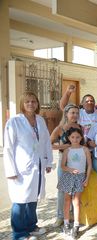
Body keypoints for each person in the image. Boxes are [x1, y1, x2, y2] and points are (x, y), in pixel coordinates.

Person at [3, 91, 53, 240]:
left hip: (37, 166)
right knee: (20, 201)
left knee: (33, 198)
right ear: (22, 104)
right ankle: (19, 233)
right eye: (27, 102)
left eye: (33, 101)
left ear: (37, 103)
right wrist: (11, 170)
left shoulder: (40, 120)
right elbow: (8, 148)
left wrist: (48, 161)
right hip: (20, 168)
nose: (31, 104)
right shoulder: (14, 122)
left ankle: (32, 226)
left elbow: (46, 143)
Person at [50, 104, 82, 227]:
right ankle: (60, 216)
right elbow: (49, 144)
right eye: (72, 112)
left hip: (78, 161)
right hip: (64, 160)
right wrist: (63, 146)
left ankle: (73, 214)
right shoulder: (60, 128)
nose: (75, 115)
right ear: (66, 114)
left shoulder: (80, 127)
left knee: (76, 189)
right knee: (63, 190)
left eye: (77, 113)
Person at [57, 127, 92, 239]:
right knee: (67, 200)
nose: (75, 139)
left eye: (77, 137)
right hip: (68, 176)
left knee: (76, 201)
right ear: (69, 138)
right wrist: (70, 169)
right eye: (73, 137)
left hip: (80, 177)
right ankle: (66, 223)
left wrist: (87, 178)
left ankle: (76, 225)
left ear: (81, 138)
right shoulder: (67, 150)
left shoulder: (85, 149)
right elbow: (62, 166)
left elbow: (89, 165)